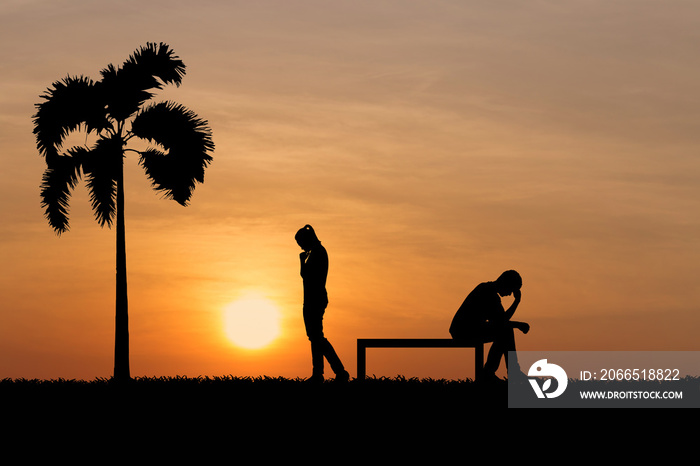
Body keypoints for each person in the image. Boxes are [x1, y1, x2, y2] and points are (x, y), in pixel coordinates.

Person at [449, 270, 529, 382]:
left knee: (505, 331)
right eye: (511, 289)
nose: (510, 293)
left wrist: (517, 303)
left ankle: (492, 372)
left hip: (468, 329)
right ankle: (490, 373)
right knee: (506, 332)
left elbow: (501, 321)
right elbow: (501, 322)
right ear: (505, 283)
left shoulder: (488, 290)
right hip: (463, 331)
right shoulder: (488, 293)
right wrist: (518, 321)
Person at [295, 225, 349, 383]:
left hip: (315, 299)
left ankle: (339, 371)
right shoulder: (317, 252)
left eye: (301, 242)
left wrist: (301, 261)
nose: (300, 246)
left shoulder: (317, 252)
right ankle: (318, 373)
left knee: (317, 337)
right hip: (314, 298)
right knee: (315, 337)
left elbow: (306, 276)